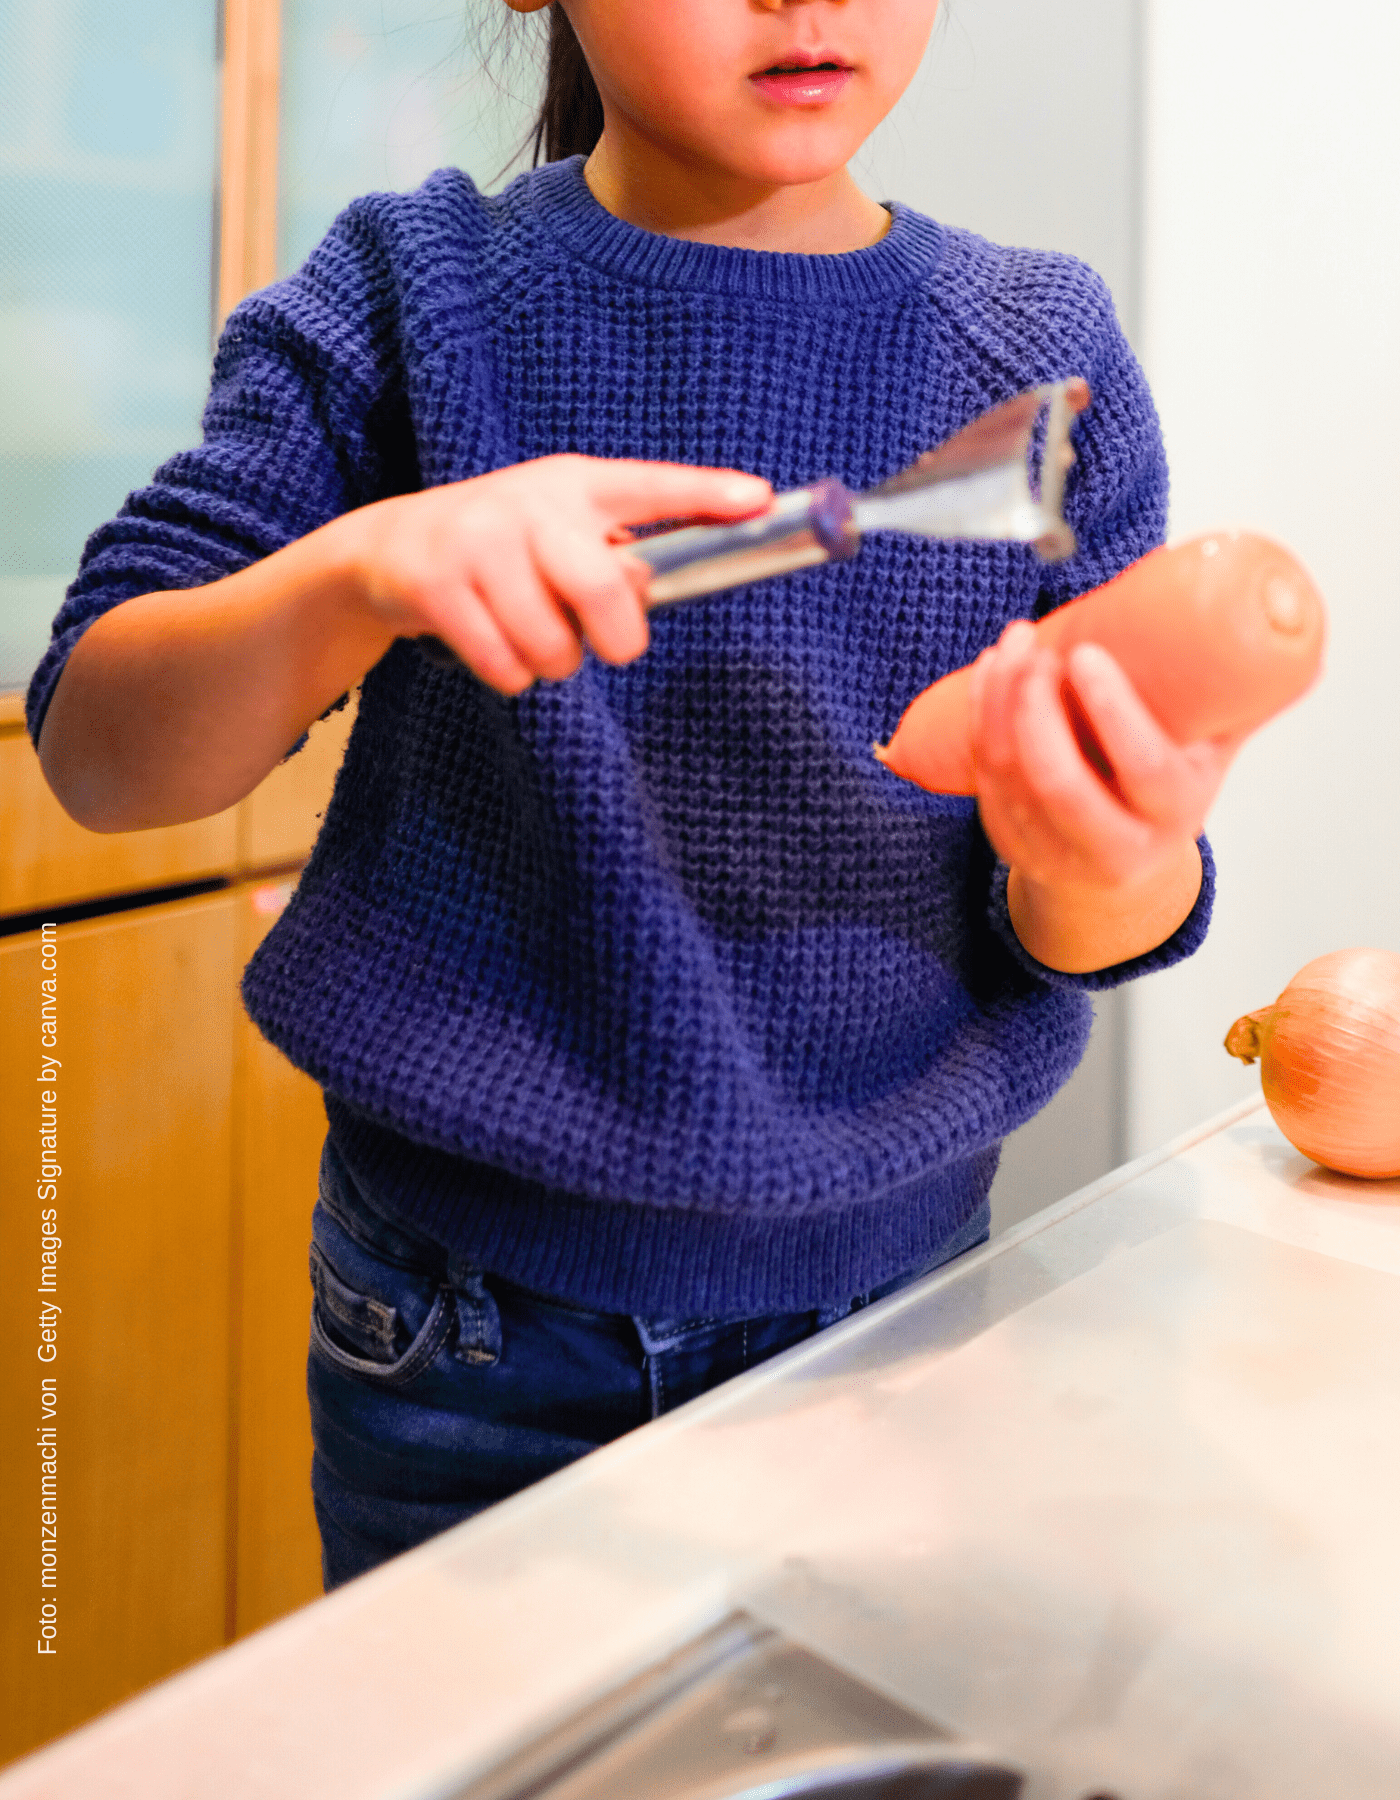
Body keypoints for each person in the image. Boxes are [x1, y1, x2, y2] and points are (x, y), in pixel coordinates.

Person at [27, 0, 1230, 1589]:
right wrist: (361, 573)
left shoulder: (1039, 360)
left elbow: (1090, 927)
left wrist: (1114, 851)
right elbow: (99, 751)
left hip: (907, 1309)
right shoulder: (413, 297)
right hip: (465, 1343)